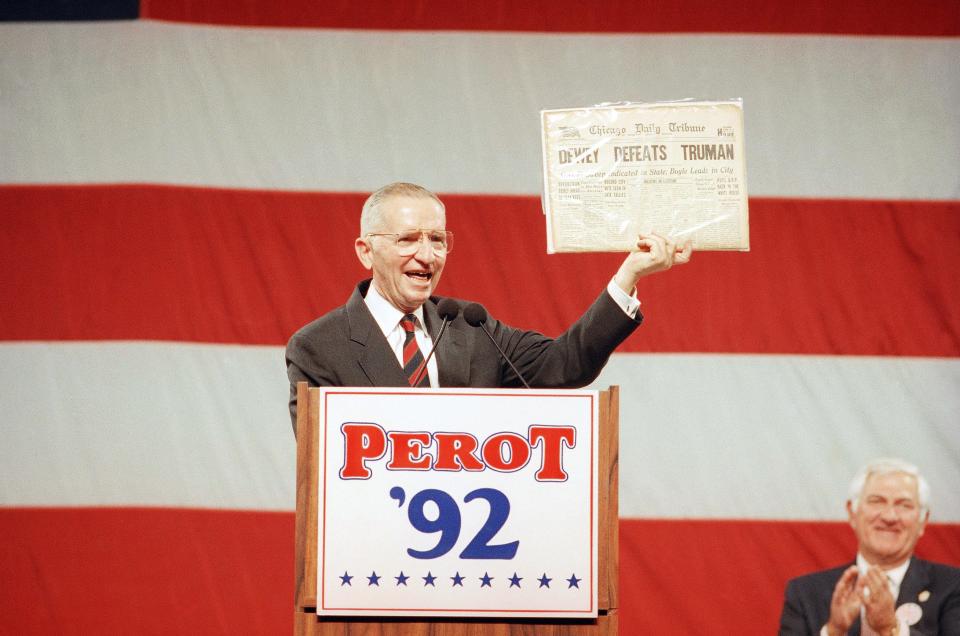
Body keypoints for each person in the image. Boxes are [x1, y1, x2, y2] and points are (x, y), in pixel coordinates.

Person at [285, 181, 692, 430]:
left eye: (438, 240)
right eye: (408, 239)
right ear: (365, 251)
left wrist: (630, 275)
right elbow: (325, 467)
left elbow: (566, 364)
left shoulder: (471, 328)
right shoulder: (319, 347)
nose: (427, 256)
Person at [779, 458, 960, 636]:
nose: (889, 516)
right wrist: (834, 632)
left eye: (904, 505)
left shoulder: (953, 586)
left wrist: (892, 629)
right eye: (877, 501)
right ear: (852, 512)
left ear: (923, 521)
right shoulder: (805, 593)